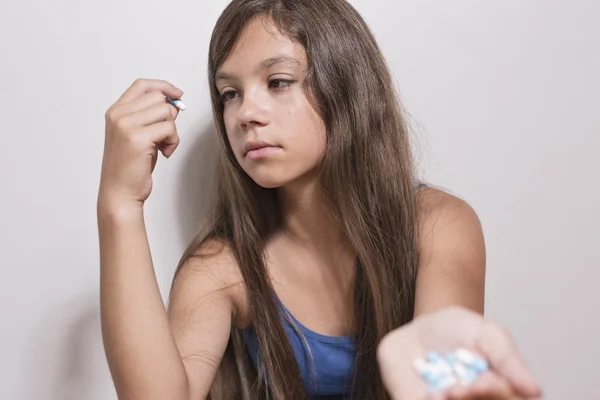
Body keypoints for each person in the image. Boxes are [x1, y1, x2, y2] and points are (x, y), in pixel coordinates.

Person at [97, 1, 542, 399]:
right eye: (229, 93)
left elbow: (442, 361)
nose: (246, 113)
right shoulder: (222, 270)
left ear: (346, 87)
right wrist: (119, 204)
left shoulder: (439, 226)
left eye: (278, 81)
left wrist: (436, 373)